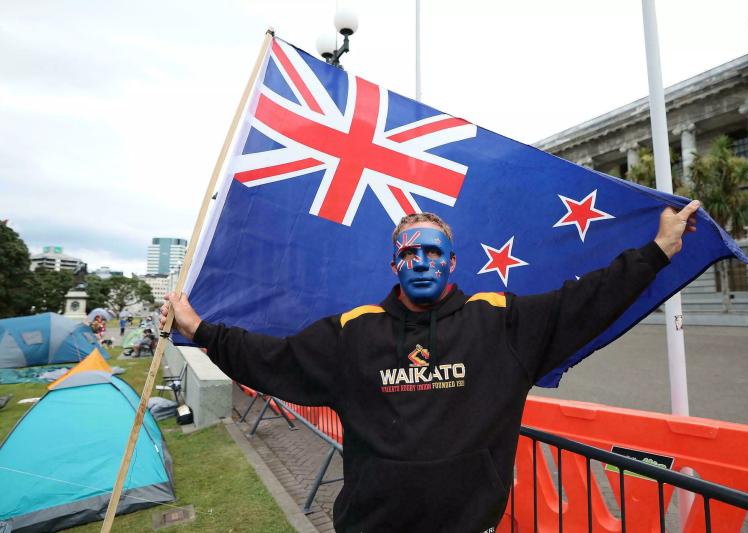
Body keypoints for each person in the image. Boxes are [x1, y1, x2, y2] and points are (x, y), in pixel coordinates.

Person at [162, 202, 700, 533]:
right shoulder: (354, 332)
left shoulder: (499, 321)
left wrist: (657, 251)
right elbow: (268, 358)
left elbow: (588, 301)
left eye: (434, 253)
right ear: (396, 262)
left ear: (452, 262)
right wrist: (200, 328)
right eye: (410, 254)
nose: (422, 263)